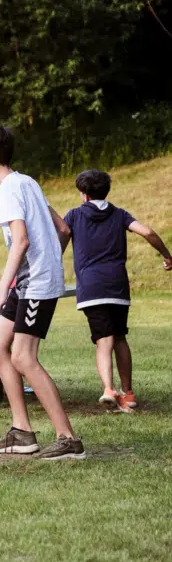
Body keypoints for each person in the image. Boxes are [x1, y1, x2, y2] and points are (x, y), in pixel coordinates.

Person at [0, 124, 85, 460]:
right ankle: (21, 432)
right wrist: (49, 261)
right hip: (32, 280)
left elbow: (21, 241)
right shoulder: (27, 182)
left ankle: (68, 439)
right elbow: (62, 228)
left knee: (23, 357)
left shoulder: (6, 190)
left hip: (33, 284)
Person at [61, 169, 172, 412]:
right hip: (118, 287)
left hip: (91, 288)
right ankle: (128, 394)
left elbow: (63, 234)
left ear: (84, 195)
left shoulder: (74, 215)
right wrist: (167, 256)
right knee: (120, 337)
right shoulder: (119, 214)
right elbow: (148, 232)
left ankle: (109, 389)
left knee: (103, 339)